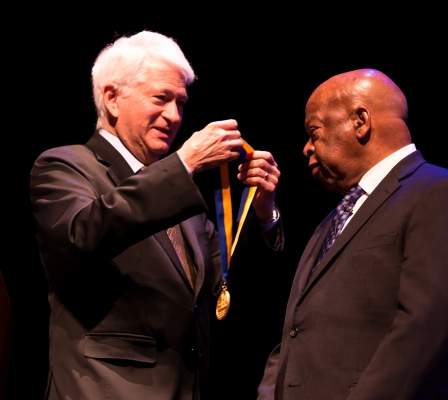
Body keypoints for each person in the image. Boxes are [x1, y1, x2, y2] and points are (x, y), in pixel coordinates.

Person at [29, 30, 283, 400]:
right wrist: (184, 163)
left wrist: (262, 213)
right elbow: (82, 234)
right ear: (112, 99)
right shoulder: (65, 166)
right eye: (161, 99)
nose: (174, 116)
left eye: (181, 102)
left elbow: (228, 290)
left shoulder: (181, 199)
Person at [257, 68, 448, 400]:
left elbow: (424, 329)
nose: (306, 148)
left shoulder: (440, 193)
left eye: (314, 132)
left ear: (360, 121)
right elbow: (296, 331)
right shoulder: (333, 220)